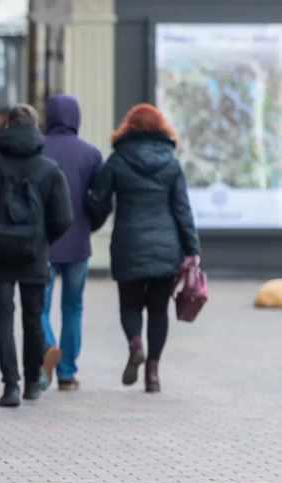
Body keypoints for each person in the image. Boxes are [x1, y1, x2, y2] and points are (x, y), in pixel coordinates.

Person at [88, 103, 200, 393]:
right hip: (166, 247)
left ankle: (135, 344)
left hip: (129, 243)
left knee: (130, 304)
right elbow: (182, 210)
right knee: (159, 311)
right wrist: (192, 249)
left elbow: (99, 200)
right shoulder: (171, 163)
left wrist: (84, 214)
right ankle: (153, 373)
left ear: (129, 128)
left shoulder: (117, 160)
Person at [0, 104, 73, 408]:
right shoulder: (49, 169)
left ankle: (10, 386)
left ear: (7, 127)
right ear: (35, 127)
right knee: (33, 319)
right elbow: (64, 218)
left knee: (3, 320)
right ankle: (33, 382)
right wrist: (43, 240)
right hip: (34, 255)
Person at [39, 95, 104, 391]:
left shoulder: (37, 149)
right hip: (78, 242)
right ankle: (66, 372)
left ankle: (48, 347)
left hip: (43, 243)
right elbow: (102, 201)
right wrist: (90, 225)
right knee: (73, 307)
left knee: (39, 306)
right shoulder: (90, 154)